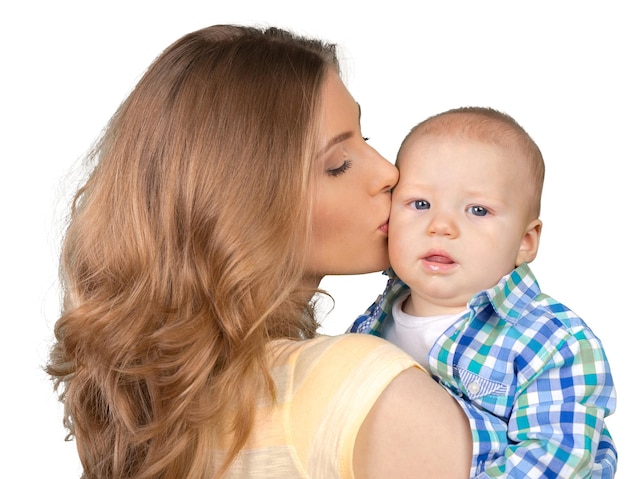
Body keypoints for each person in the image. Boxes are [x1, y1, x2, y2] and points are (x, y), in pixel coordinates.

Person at [46, 25, 473, 478]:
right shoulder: (366, 389)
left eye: (364, 140)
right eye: (337, 165)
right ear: (237, 207)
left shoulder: (153, 423)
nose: (389, 172)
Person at [350, 107, 617, 477]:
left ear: (525, 242)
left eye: (477, 210)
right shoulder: (371, 323)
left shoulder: (552, 343)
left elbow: (555, 458)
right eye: (420, 204)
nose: (441, 226)